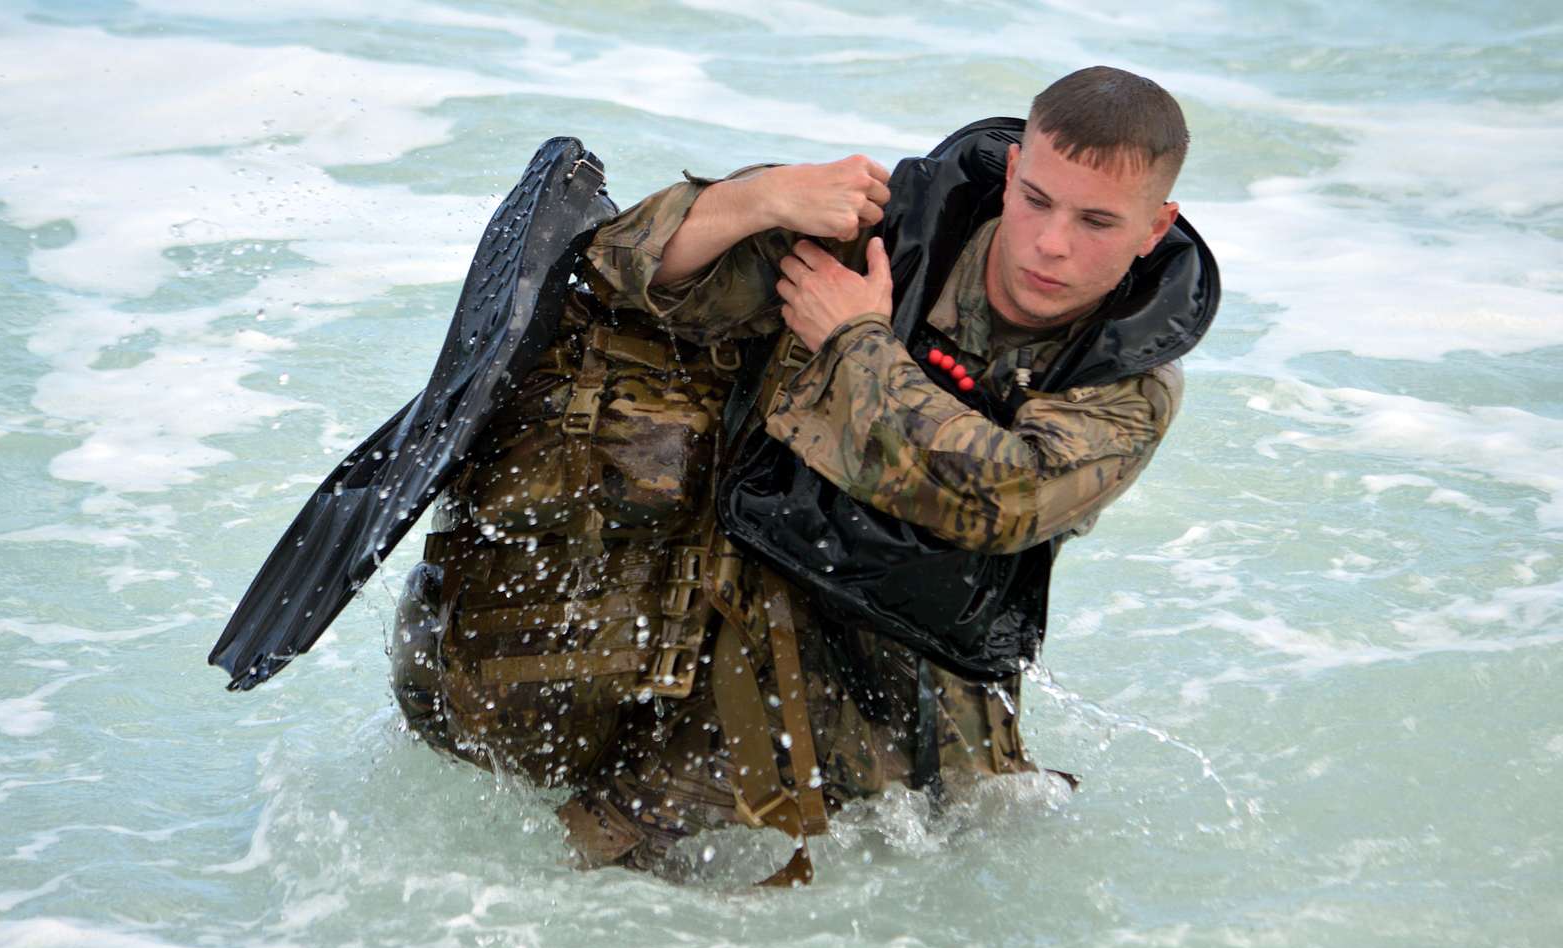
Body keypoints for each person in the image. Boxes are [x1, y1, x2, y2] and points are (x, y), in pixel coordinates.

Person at [388, 66, 1217, 881]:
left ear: (1156, 227)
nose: (1052, 243)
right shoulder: (892, 231)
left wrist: (856, 342)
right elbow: (614, 276)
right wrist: (760, 198)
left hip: (908, 655)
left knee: (897, 887)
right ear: (1011, 173)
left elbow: (1002, 498)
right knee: (585, 864)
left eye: (1098, 221)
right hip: (732, 582)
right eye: (1035, 199)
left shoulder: (1129, 382)